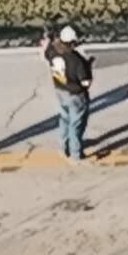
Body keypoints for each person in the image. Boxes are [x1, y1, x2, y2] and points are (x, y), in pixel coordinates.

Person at [42, 24, 95, 161]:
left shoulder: (52, 51)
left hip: (60, 90)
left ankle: (63, 147)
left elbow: (46, 53)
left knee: (64, 119)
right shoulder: (76, 60)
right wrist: (88, 68)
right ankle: (76, 153)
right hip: (76, 95)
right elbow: (85, 82)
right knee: (76, 124)